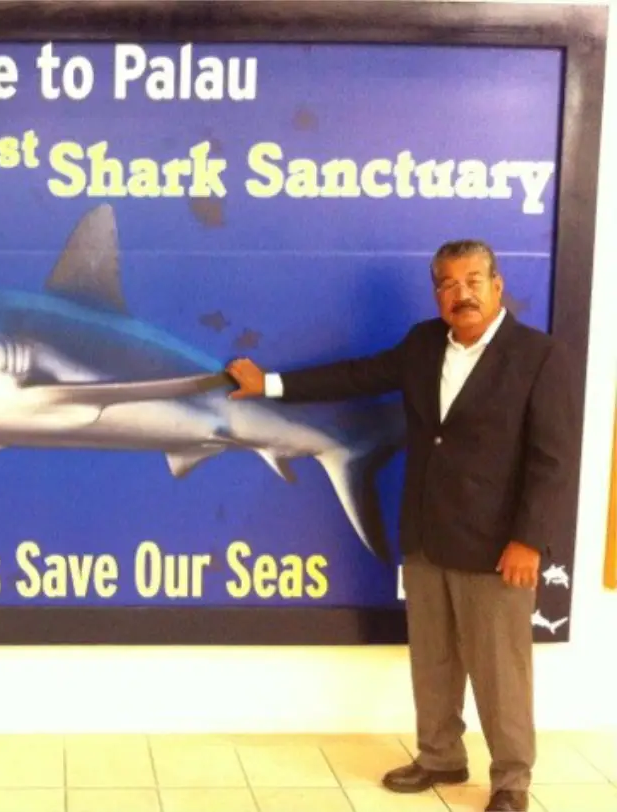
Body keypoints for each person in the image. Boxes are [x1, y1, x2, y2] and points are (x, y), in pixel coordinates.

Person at [225, 240, 579, 812]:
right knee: (433, 659)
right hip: (425, 533)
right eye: (446, 283)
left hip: (497, 546)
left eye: (472, 281)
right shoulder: (421, 344)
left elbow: (554, 461)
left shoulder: (540, 357)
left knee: (500, 672)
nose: (459, 293)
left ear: (497, 284)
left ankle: (511, 782)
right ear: (436, 292)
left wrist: (529, 540)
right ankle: (440, 756)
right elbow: (356, 376)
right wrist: (269, 385)